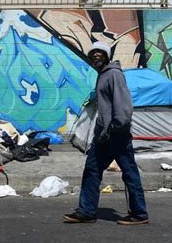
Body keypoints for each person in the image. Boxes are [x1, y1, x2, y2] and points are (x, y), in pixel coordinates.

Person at [63, 41, 149, 225]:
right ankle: (86, 211)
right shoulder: (102, 75)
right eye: (93, 53)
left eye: (99, 53)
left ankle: (139, 214)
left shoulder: (114, 75)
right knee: (92, 170)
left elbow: (124, 105)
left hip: (116, 134)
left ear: (107, 56)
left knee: (129, 172)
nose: (95, 56)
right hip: (103, 135)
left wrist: (116, 127)